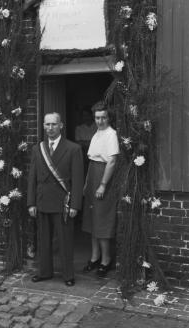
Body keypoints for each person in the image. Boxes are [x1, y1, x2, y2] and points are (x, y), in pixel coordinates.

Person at [27, 112, 84, 286]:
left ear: (61, 126)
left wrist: (75, 204)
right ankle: (44, 272)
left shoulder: (73, 149)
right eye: (47, 124)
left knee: (65, 240)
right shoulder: (38, 149)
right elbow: (32, 178)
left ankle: (68, 275)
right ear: (44, 126)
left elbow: (78, 179)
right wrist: (31, 202)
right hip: (43, 200)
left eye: (54, 124)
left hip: (63, 202)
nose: (50, 128)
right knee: (43, 240)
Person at [81, 100, 120, 277]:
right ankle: (94, 257)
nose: (100, 121)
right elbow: (92, 160)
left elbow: (111, 161)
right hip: (93, 174)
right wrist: (87, 183)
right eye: (97, 117)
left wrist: (103, 184)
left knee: (102, 220)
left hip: (104, 177)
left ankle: (106, 259)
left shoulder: (111, 134)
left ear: (108, 117)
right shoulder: (97, 133)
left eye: (103, 117)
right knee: (91, 219)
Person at [75, 106, 97, 176]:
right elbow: (78, 143)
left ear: (91, 116)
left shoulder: (97, 127)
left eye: (87, 115)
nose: (86, 117)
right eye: (84, 116)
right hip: (84, 154)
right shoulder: (79, 128)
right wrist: (93, 142)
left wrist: (85, 142)